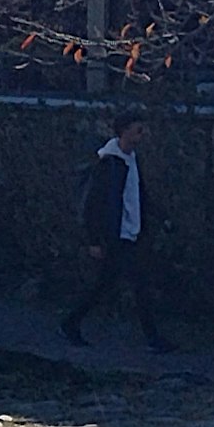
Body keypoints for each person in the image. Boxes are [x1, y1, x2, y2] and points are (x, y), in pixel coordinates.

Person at [65, 116, 151, 351]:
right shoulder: (109, 165)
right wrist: (94, 240)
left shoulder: (128, 160)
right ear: (124, 132)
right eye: (138, 131)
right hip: (116, 235)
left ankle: (72, 321)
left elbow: (139, 195)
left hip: (126, 232)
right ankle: (152, 337)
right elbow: (93, 204)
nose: (142, 136)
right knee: (138, 283)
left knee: (104, 284)